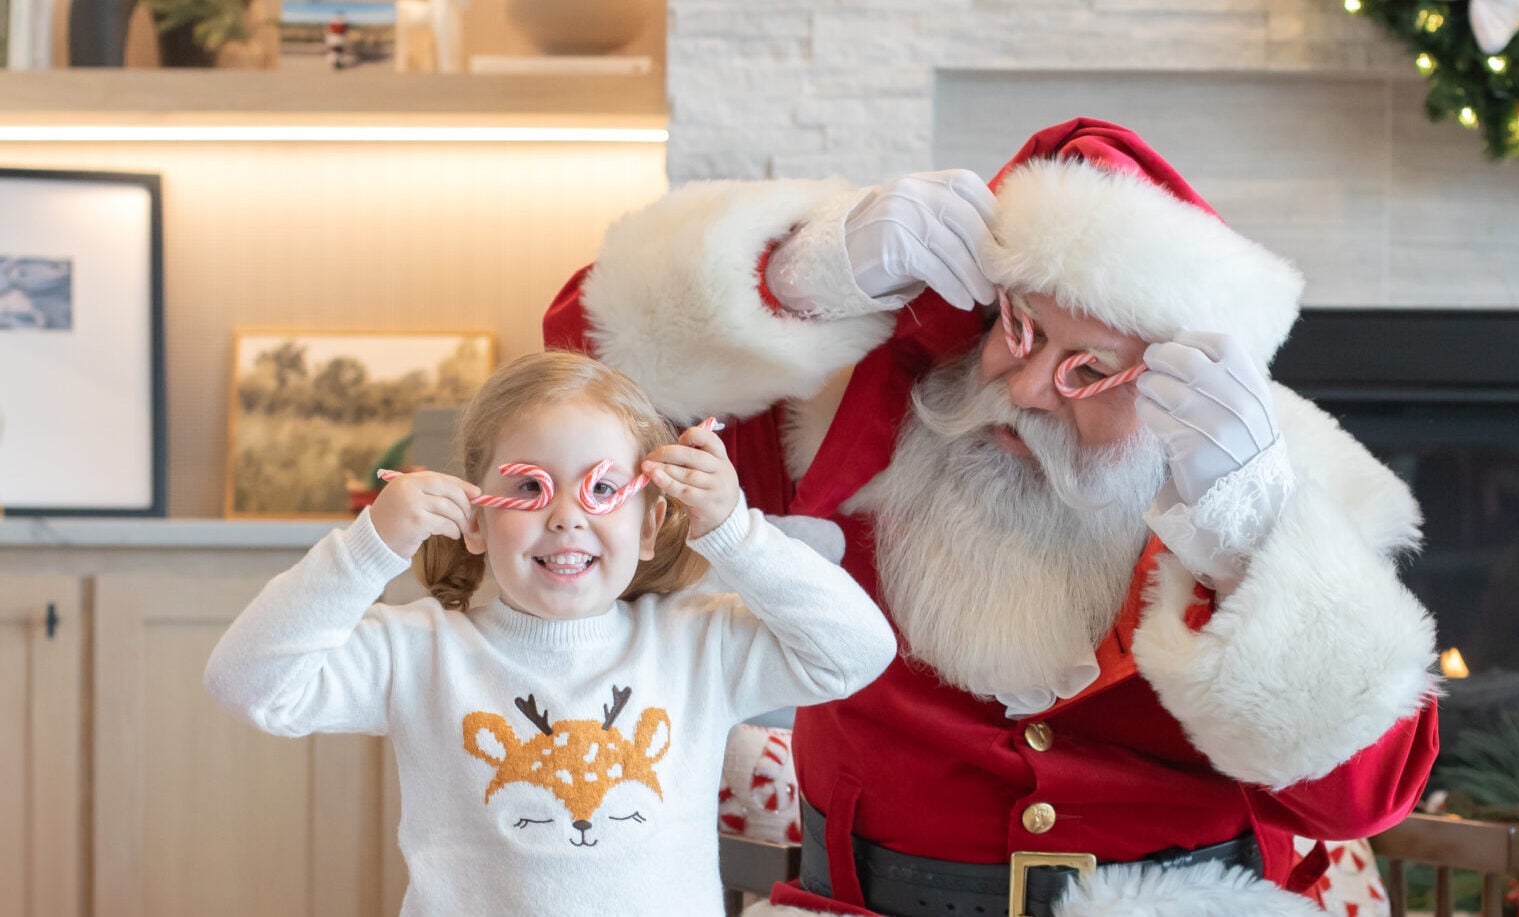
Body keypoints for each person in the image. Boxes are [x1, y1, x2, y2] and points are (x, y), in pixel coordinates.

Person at [543, 117, 1442, 916]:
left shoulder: (1275, 490)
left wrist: (1249, 545)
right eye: (1020, 328)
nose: (1028, 389)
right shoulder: (846, 431)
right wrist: (795, 277)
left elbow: (1361, 800)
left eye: (1091, 369)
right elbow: (582, 388)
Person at [203, 350, 896, 915]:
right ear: (476, 520)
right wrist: (368, 548)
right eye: (530, 488)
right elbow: (248, 684)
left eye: (602, 489)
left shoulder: (698, 646)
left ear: (650, 523)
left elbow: (858, 652)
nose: (566, 516)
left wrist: (734, 532)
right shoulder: (420, 652)